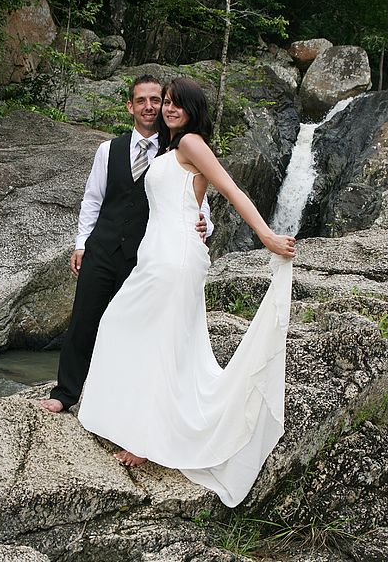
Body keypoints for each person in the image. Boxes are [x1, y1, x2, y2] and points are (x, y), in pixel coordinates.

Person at [78, 77, 295, 508]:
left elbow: (230, 190)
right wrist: (201, 221)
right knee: (127, 328)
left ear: (193, 109)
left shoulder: (192, 143)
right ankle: (130, 421)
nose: (169, 109)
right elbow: (184, 199)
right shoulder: (170, 147)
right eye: (167, 103)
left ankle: (146, 441)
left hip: (174, 257)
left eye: (177, 104)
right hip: (159, 255)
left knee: (161, 344)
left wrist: (267, 236)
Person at [40, 74, 213, 413]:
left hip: (144, 256)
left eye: (156, 100)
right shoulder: (109, 150)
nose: (150, 106)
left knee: (129, 329)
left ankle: (116, 402)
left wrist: (205, 222)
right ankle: (64, 394)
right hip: (102, 249)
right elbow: (92, 200)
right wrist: (81, 243)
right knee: (83, 321)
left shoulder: (174, 149)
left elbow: (193, 198)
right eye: (142, 101)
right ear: (130, 106)